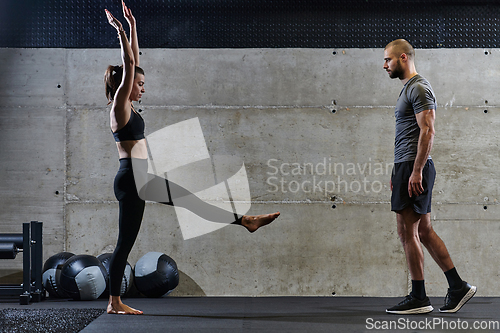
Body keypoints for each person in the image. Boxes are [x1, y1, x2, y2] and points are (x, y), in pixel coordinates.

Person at [104, 2, 280, 315]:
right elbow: (130, 66)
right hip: (132, 180)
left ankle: (246, 221)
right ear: (126, 86)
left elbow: (135, 62)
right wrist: (120, 34)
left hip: (141, 179)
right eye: (140, 85)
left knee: (193, 201)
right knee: (125, 243)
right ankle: (114, 302)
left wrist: (132, 27)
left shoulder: (129, 106)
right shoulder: (119, 108)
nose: (143, 89)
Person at [382, 39, 476, 314]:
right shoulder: (409, 89)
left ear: (402, 57)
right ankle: (457, 287)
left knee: (406, 231)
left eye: (388, 60)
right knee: (422, 230)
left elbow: (428, 131)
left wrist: (416, 171)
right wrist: (398, 171)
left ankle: (419, 297)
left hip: (414, 165)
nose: (384, 65)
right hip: (407, 165)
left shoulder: (419, 88)